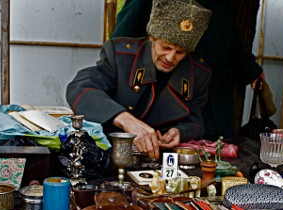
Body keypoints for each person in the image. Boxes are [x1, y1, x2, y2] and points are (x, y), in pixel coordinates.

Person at [66, 0, 212, 159]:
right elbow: (80, 88)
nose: (170, 58)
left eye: (180, 52)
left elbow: (197, 122)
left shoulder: (198, 72)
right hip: (113, 153)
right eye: (166, 47)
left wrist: (179, 132)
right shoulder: (120, 56)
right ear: (152, 38)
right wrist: (126, 120)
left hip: (160, 158)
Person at [111, 0, 265, 140]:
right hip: (164, 101)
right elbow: (123, 46)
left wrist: (251, 70)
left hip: (213, 101)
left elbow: (229, 37)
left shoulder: (222, 3)